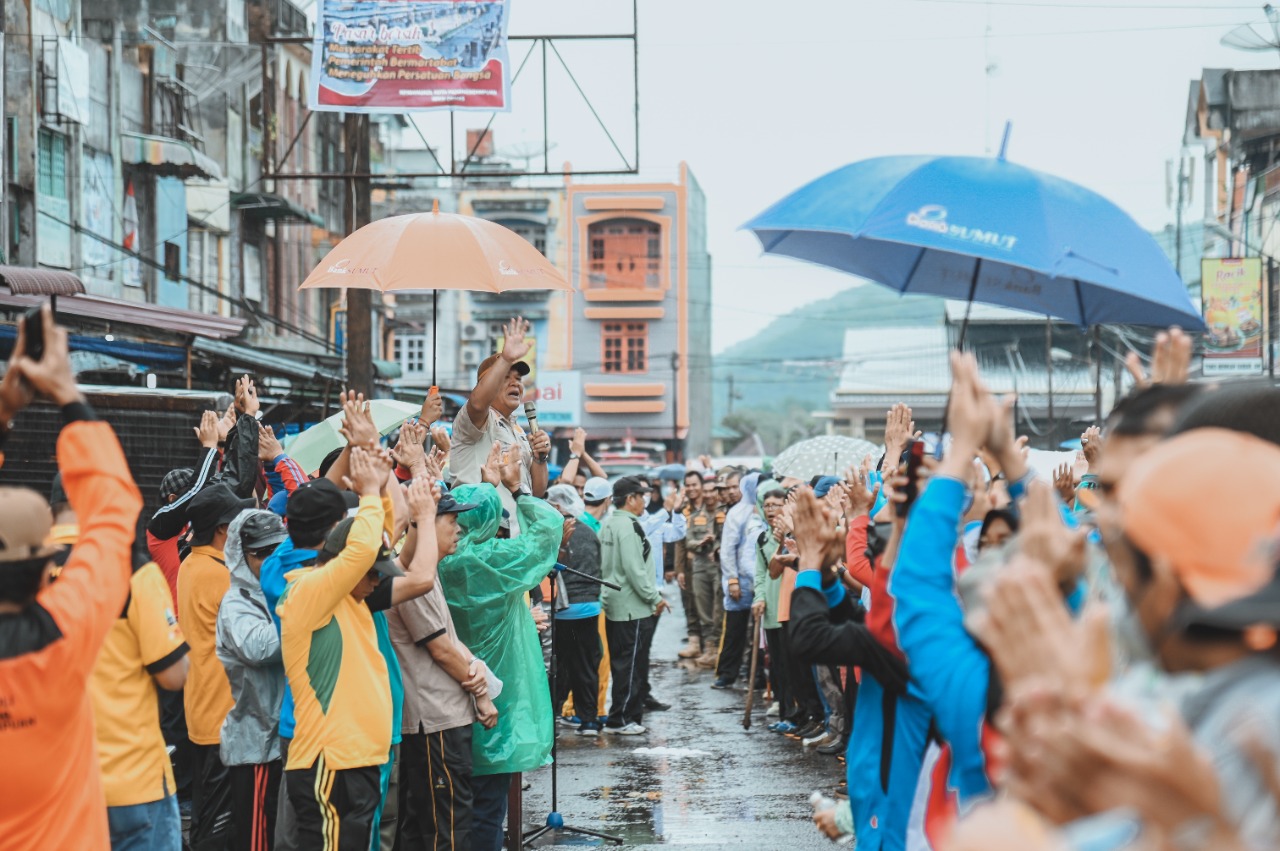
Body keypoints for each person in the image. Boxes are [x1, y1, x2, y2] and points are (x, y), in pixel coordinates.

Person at [0, 305, 144, 849]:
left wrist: (4, 410)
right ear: (44, 569)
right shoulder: (68, 628)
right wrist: (65, 391)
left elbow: (109, 511)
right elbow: (110, 513)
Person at [434, 458, 563, 851]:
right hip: (496, 698)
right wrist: (516, 489)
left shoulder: (436, 561)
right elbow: (548, 532)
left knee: (454, 810)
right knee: (489, 812)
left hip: (447, 696)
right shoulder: (494, 562)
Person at [277, 446, 402, 849]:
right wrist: (367, 490)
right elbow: (363, 548)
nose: (374, 580)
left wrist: (381, 487)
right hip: (328, 761)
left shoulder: (346, 595)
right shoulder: (308, 591)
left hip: (356, 759)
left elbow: (378, 541)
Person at [388, 486, 499, 851]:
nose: (459, 529)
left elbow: (450, 640)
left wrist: (475, 667)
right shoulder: (412, 577)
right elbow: (439, 649)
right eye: (452, 521)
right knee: (445, 826)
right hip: (433, 717)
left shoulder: (425, 571)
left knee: (437, 821)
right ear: (424, 524)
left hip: (441, 714)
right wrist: (481, 693)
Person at [89, 531, 191, 851]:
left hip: (61, 784)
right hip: (132, 779)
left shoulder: (31, 569)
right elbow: (174, 675)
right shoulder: (133, 571)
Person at [179, 482, 256, 850]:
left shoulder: (191, 564)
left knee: (208, 815)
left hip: (203, 706)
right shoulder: (219, 575)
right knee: (220, 825)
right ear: (224, 528)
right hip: (222, 713)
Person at [216, 510, 289, 851]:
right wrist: (304, 615)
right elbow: (258, 647)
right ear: (240, 556)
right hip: (256, 746)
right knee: (256, 840)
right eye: (260, 553)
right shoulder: (236, 602)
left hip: (287, 742)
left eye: (276, 549)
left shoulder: (285, 589)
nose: (269, 559)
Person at [448, 317, 552, 533]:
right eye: (506, 377)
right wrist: (505, 357)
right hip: (481, 538)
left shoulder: (518, 430)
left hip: (514, 540)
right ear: (488, 383)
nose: (515, 383)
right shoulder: (477, 421)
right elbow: (477, 403)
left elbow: (537, 492)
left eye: (519, 379)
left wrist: (540, 458)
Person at [600, 476, 670, 734]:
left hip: (616, 600)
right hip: (632, 604)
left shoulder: (609, 523)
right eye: (642, 496)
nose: (645, 501)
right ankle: (623, 718)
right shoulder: (628, 526)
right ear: (630, 499)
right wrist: (655, 598)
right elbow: (634, 569)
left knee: (623, 662)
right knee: (630, 665)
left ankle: (619, 716)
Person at [546, 484, 605, 737]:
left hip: (563, 609)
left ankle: (553, 716)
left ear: (558, 506)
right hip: (590, 607)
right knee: (587, 664)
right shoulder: (590, 531)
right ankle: (589, 720)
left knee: (559, 665)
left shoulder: (552, 531)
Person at [714, 472, 763, 689]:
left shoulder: (767, 508)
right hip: (741, 580)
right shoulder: (737, 512)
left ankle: (759, 675)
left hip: (762, 579)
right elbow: (727, 549)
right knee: (735, 628)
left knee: (762, 632)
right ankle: (727, 673)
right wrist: (731, 579)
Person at [675, 469, 716, 661]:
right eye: (688, 485)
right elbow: (679, 541)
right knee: (689, 603)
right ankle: (694, 643)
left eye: (694, 485)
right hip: (689, 563)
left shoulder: (714, 507)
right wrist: (679, 569)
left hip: (710, 564)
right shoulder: (684, 509)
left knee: (709, 604)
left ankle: (710, 646)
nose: (691, 489)